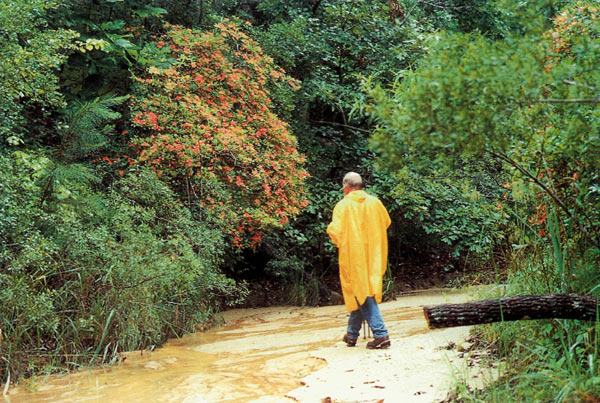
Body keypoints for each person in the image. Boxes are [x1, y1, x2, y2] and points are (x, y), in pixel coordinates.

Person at [327, 172, 392, 349]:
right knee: (362, 291)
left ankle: (381, 334)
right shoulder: (375, 203)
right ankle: (352, 334)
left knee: (361, 292)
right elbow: (386, 222)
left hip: (353, 255)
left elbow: (335, 232)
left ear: (346, 188)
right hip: (374, 254)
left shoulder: (343, 205)